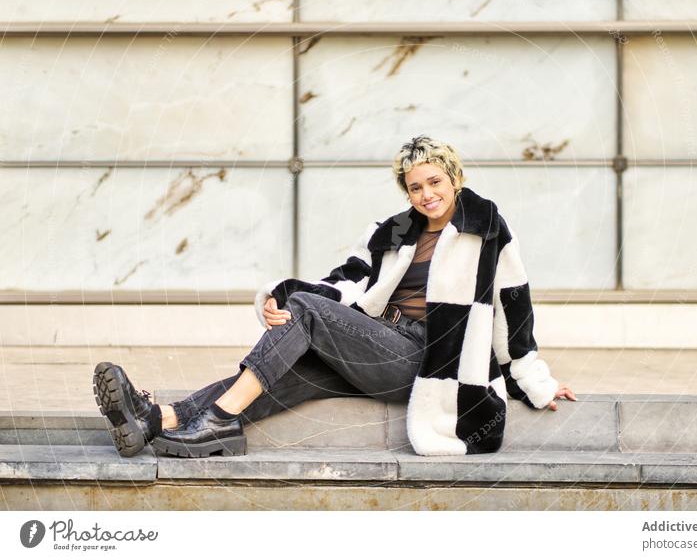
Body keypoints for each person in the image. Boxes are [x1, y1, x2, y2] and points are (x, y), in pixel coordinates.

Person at [93, 135, 576, 458]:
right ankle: (159, 418)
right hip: (378, 343)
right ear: (405, 192)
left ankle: (219, 418)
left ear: (454, 178)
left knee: (307, 315)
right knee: (298, 369)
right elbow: (345, 279)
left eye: (434, 182)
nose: (426, 194)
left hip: (430, 360)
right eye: (415, 187)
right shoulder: (394, 232)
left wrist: (536, 379)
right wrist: (281, 297)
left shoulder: (483, 226)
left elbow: (514, 307)